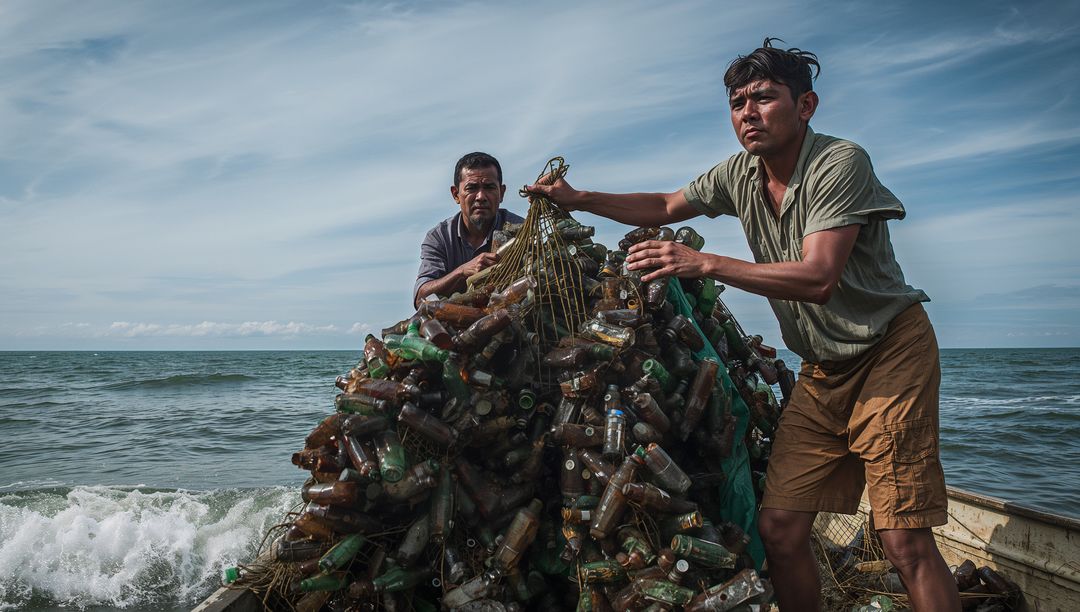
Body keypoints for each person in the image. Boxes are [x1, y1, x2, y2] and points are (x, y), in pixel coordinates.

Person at [526, 39, 960, 612]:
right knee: (779, 529)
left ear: (805, 105)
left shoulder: (839, 163)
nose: (748, 113)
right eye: (737, 103)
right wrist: (579, 198)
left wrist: (703, 262)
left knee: (902, 540)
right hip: (823, 371)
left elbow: (818, 277)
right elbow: (665, 205)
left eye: (764, 98)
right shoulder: (739, 174)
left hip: (889, 355)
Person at [414, 152, 524, 307]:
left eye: (489, 187)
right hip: (456, 319)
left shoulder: (522, 230)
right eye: (471, 188)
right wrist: (462, 271)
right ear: (456, 195)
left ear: (502, 193)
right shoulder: (439, 237)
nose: (481, 196)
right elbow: (421, 298)